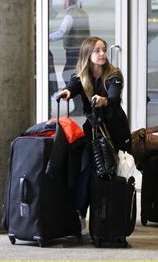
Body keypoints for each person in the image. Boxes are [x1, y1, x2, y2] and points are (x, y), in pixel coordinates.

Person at [58, 37, 131, 233]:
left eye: (104, 50)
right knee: (87, 171)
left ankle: (110, 216)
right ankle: (82, 215)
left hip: (114, 132)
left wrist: (104, 101)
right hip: (93, 132)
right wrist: (66, 92)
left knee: (112, 174)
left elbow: (114, 97)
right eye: (97, 50)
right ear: (87, 55)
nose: (102, 54)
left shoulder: (114, 74)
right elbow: (72, 87)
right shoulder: (80, 76)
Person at [50, 0, 91, 115]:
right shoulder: (83, 13)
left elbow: (62, 32)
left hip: (74, 51)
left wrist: (45, 37)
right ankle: (82, 106)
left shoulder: (69, 16)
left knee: (69, 76)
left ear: (69, 1)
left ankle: (80, 107)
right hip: (83, 50)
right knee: (79, 77)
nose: (63, 2)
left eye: (64, 0)